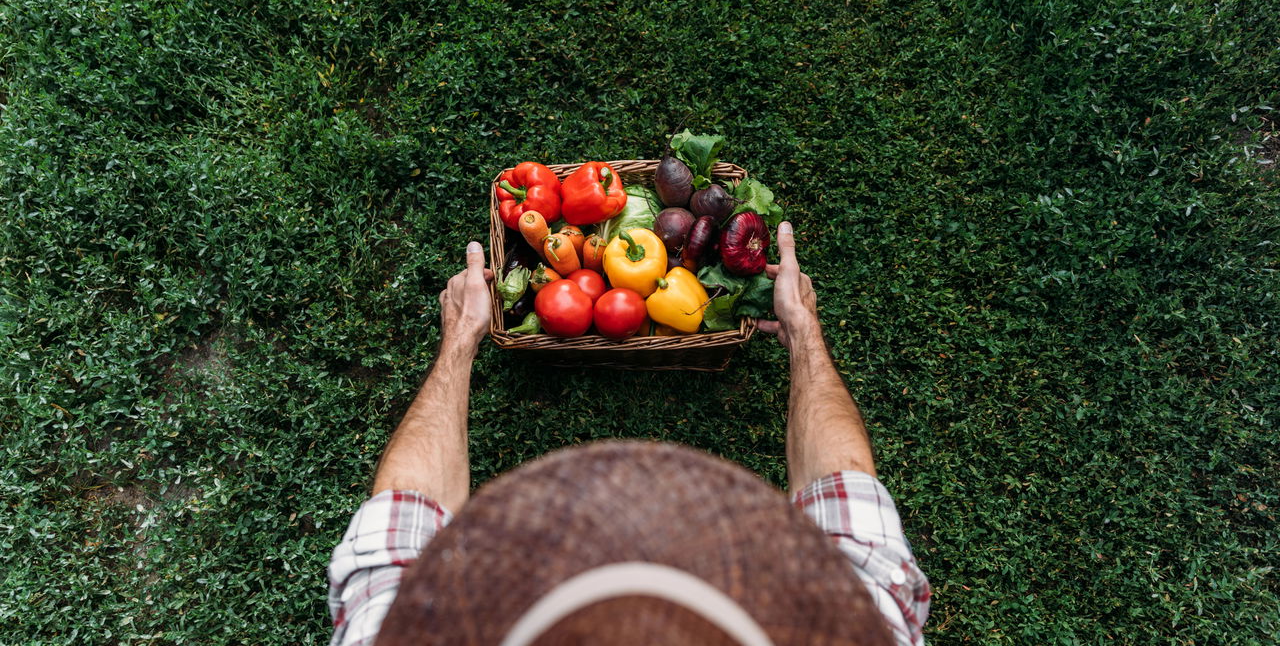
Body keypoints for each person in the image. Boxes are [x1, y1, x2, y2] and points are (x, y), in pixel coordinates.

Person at [328, 223, 931, 645]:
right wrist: (803, 332)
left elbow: (401, 523)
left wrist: (461, 338)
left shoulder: (395, 632)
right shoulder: (864, 626)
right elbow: (849, 503)